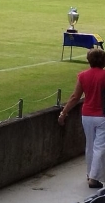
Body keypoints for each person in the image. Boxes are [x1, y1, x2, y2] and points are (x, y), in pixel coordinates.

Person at [59, 48, 105, 188]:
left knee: (90, 146)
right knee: (99, 147)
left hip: (87, 115)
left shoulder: (83, 76)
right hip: (102, 115)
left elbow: (75, 97)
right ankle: (93, 177)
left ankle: (90, 173)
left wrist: (64, 112)